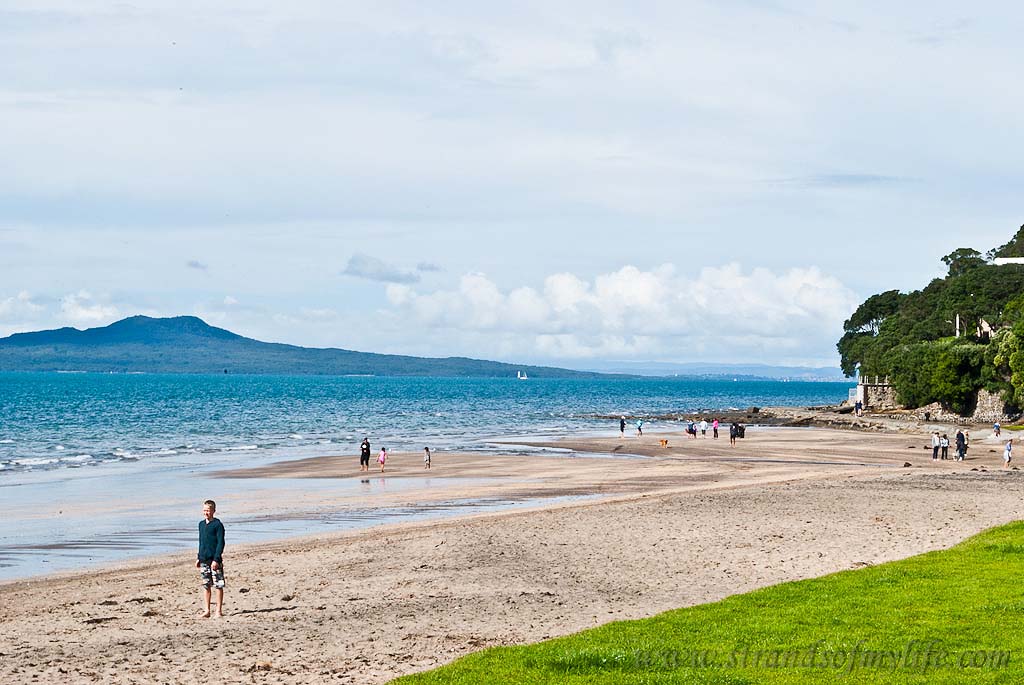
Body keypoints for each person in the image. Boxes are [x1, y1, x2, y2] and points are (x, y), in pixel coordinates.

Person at [196, 499, 225, 619]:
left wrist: (216, 560)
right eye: (204, 510)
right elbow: (201, 542)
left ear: (213, 510)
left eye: (208, 510)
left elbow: (221, 543)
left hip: (214, 560)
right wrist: (199, 557)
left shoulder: (218, 525)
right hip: (204, 559)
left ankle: (218, 611)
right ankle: (207, 610)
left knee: (218, 585)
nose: (206, 513)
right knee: (206, 585)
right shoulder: (201, 524)